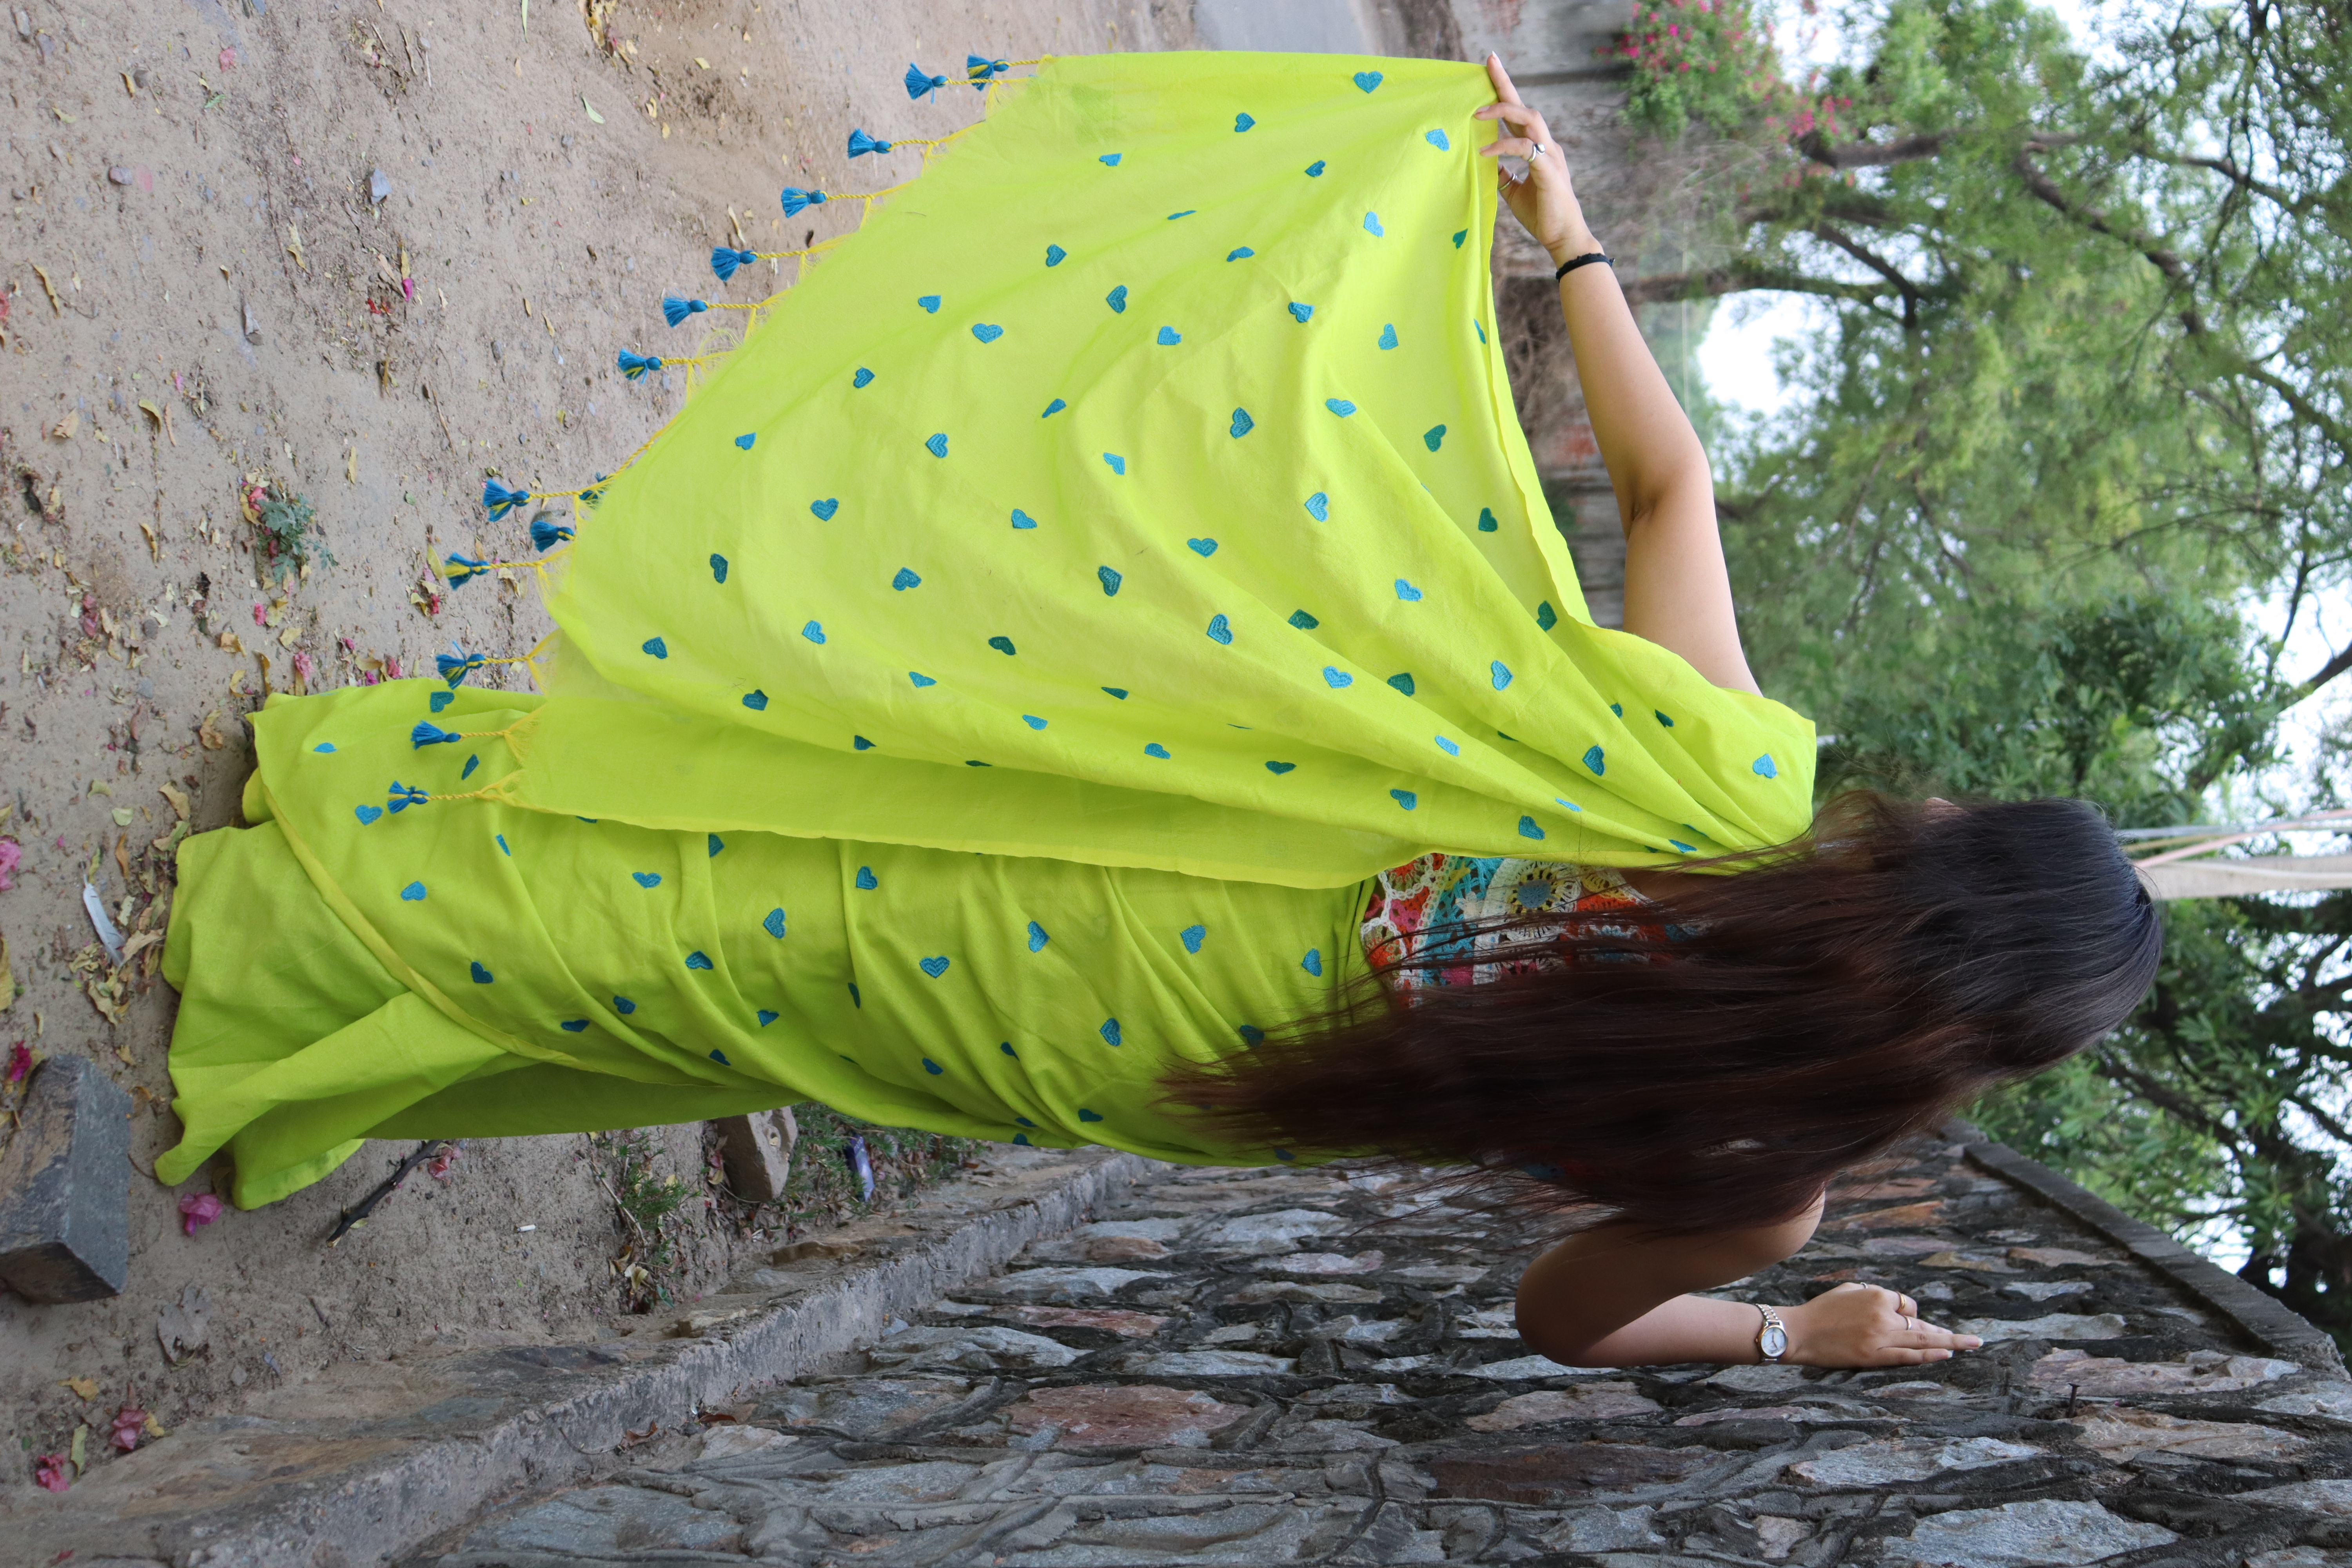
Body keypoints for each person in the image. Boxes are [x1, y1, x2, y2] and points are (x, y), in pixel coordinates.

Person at [154, 54, 2159, 1371]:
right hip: (1171, 1049)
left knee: (768, 850)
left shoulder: (1739, 769)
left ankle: (342, 884)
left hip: (1184, 837)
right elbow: (1565, 1317)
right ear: (1984, 1050)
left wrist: (1562, 224)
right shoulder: (1771, 1174)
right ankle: (329, 998)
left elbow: (1666, 492)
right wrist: (1789, 1336)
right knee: (750, 977)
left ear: (1952, 841)